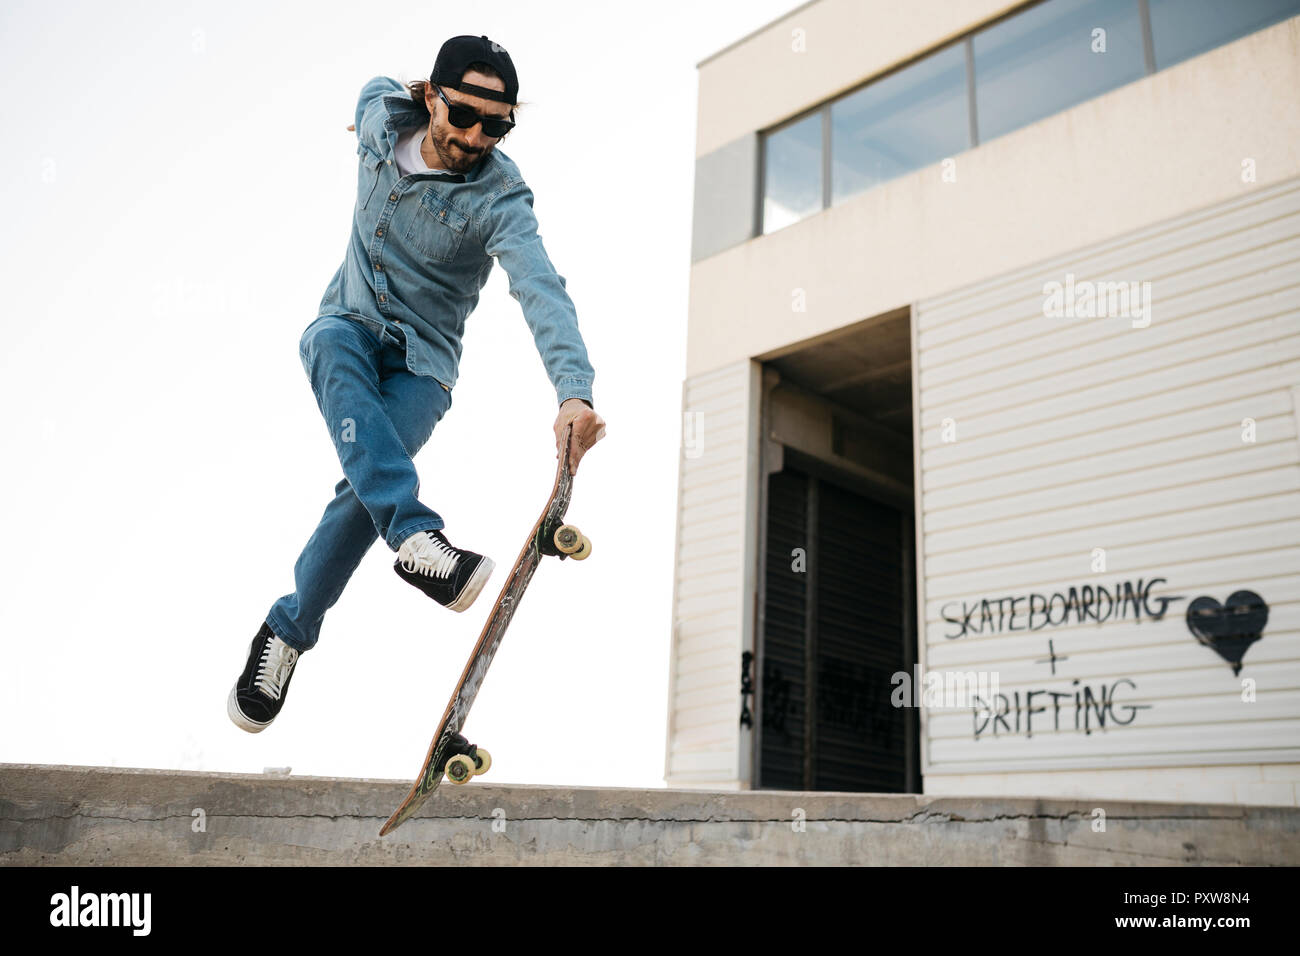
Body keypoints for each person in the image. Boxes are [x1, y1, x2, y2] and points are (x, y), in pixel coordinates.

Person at [229, 35, 606, 733]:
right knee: (325, 338)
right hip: (349, 324)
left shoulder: (500, 197)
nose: (475, 139)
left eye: (496, 126)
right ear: (430, 97)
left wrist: (573, 389)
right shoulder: (381, 116)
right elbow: (373, 87)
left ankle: (286, 631)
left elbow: (540, 288)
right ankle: (417, 539)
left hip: (423, 369)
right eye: (463, 116)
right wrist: (391, 100)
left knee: (359, 497)